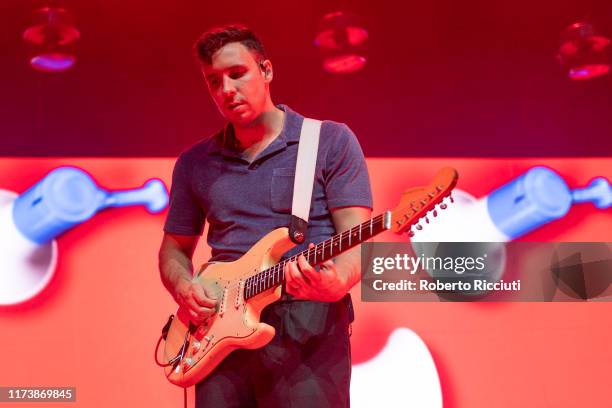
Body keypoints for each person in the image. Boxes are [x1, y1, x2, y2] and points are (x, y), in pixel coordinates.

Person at [159, 24, 372, 407]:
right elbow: (173, 250)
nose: (226, 90)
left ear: (267, 70)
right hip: (219, 335)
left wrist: (338, 281)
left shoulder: (330, 141)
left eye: (237, 73)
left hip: (309, 325)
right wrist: (183, 287)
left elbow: (357, 239)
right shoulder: (194, 163)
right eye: (213, 81)